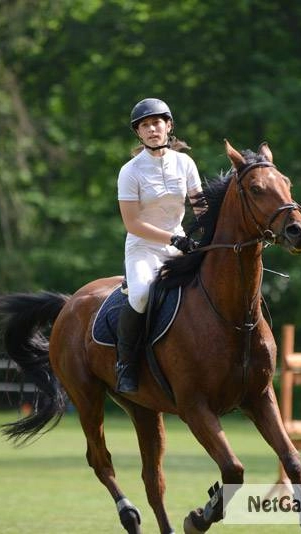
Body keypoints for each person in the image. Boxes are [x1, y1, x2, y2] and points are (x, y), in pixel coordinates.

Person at [115, 98, 204, 393]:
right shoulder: (130, 171)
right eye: (145, 125)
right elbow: (132, 224)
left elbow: (201, 208)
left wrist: (212, 236)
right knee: (140, 295)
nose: (152, 129)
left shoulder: (185, 163)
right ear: (138, 133)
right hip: (143, 248)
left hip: (179, 244)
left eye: (157, 123)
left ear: (169, 126)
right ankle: (125, 364)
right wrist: (174, 238)